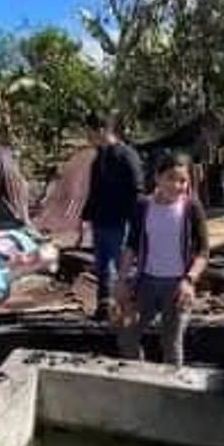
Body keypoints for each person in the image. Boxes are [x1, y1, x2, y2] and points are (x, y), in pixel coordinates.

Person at [115, 151, 210, 367]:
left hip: (177, 286)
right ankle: (137, 376)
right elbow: (131, 246)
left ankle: (171, 393)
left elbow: (204, 252)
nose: (176, 185)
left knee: (171, 344)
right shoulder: (143, 206)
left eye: (183, 181)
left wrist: (189, 280)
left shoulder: (191, 208)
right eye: (170, 178)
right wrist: (121, 281)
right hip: (146, 283)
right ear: (157, 178)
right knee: (127, 335)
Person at [80, 111, 144, 321]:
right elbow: (94, 191)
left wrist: (135, 222)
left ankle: (130, 308)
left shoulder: (126, 155)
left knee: (122, 267)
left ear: (101, 130)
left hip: (121, 222)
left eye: (89, 132)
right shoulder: (99, 158)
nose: (87, 137)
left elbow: (137, 190)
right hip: (101, 221)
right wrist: (85, 218)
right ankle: (105, 309)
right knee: (103, 267)